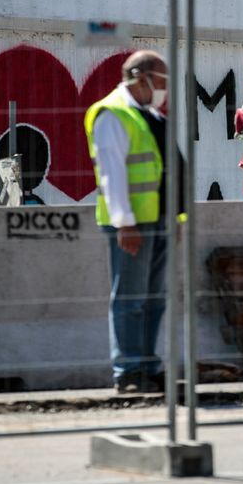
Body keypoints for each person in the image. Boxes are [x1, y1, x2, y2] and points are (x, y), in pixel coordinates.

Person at [84, 50, 183, 394]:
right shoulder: (112, 114)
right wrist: (124, 223)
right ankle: (128, 370)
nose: (165, 89)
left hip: (158, 220)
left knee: (153, 298)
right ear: (142, 78)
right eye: (163, 82)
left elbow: (169, 171)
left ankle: (146, 366)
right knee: (129, 297)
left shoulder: (148, 115)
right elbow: (112, 174)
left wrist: (178, 217)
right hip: (132, 225)